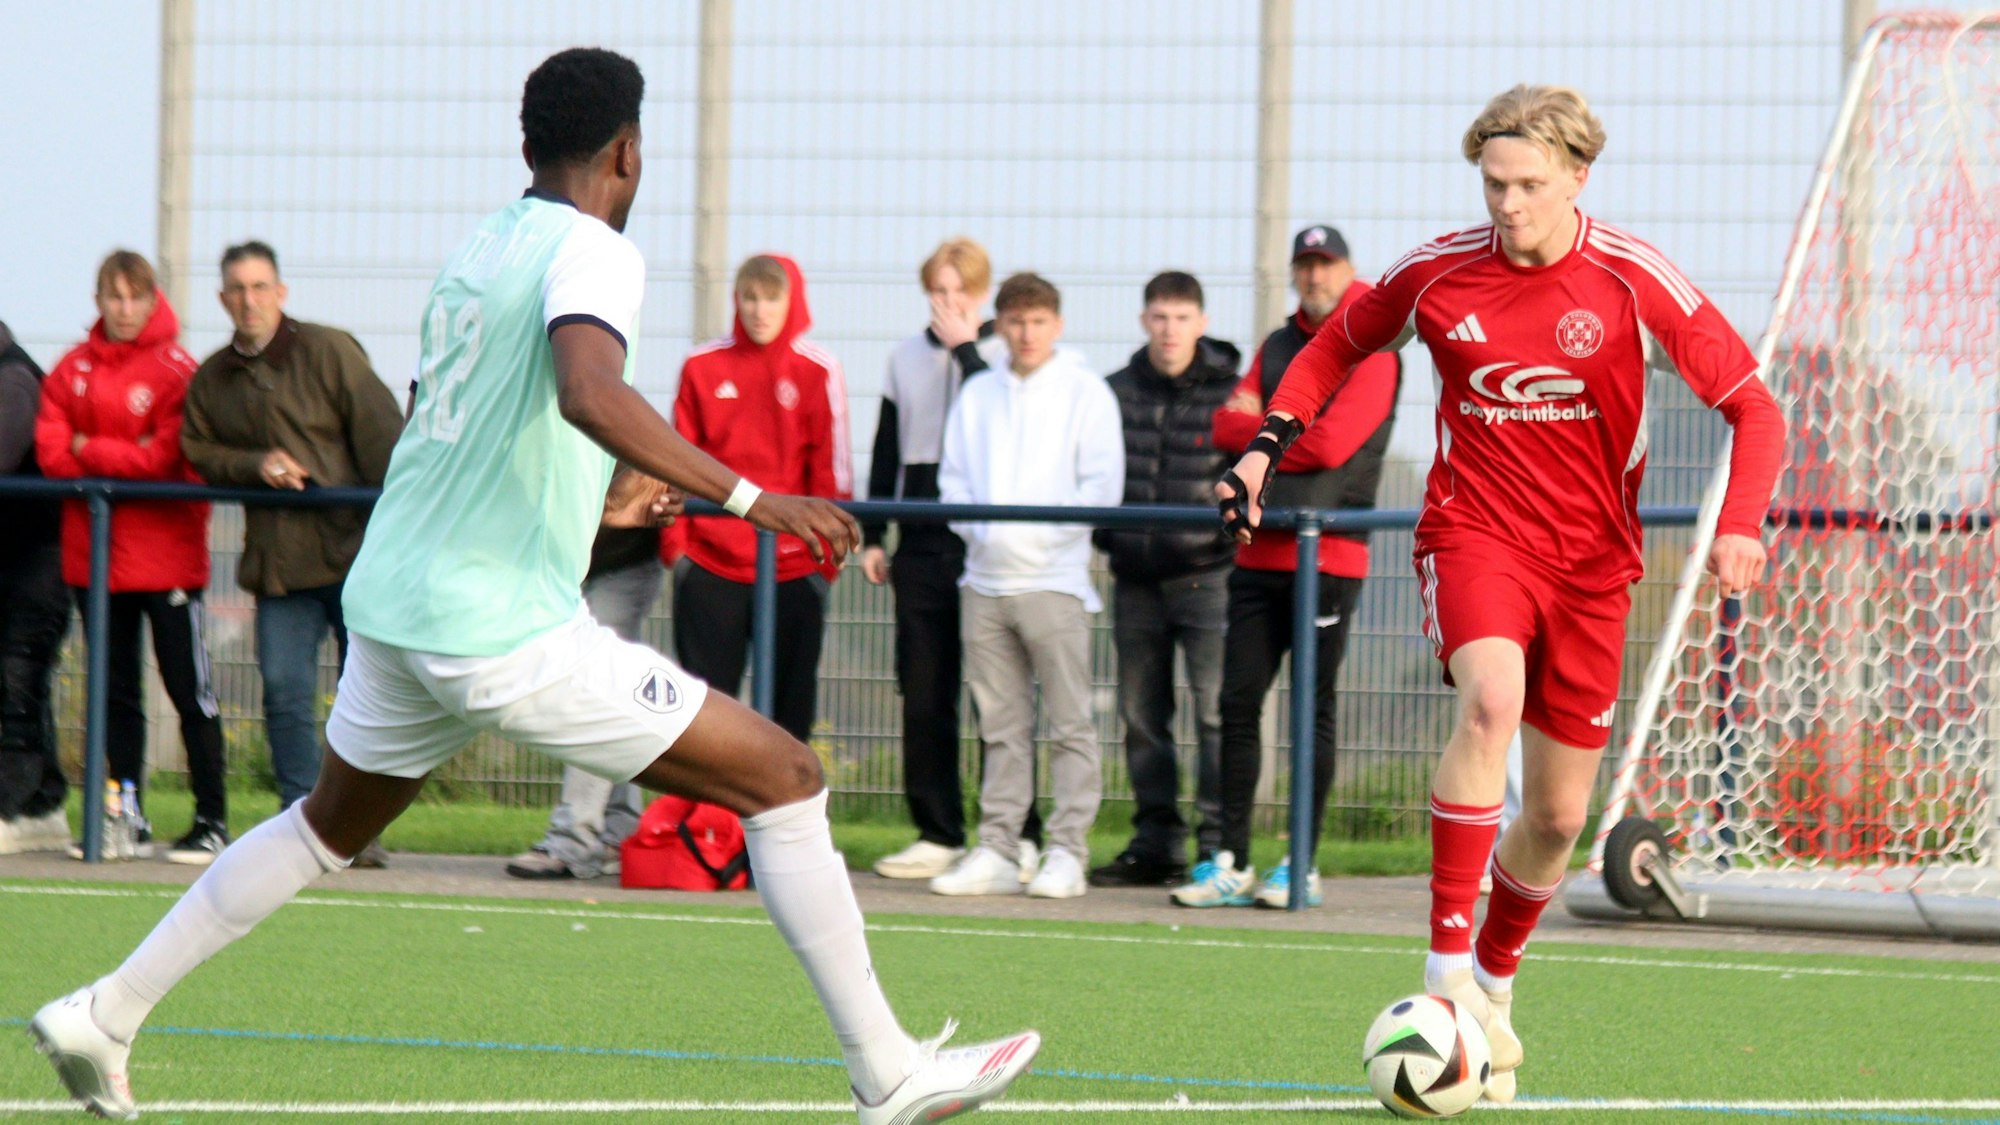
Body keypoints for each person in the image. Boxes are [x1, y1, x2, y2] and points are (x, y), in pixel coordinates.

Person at [29, 48, 1038, 1125]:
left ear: (528, 145)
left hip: (398, 604)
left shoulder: (479, 248)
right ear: (627, 152)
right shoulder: (595, 249)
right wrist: (755, 499)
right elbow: (587, 393)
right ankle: (887, 1073)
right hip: (496, 628)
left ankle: (107, 1011)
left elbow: (462, 431)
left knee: (322, 827)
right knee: (786, 777)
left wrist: (603, 502)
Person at [1217, 85, 1782, 1102]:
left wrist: (1738, 521)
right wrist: (1264, 447)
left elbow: (1753, 407)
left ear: (1577, 176)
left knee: (1560, 817)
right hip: (1474, 536)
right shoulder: (1435, 273)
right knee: (1488, 703)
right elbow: (1337, 342)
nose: (1508, 203)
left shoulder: (1630, 278)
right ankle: (1443, 975)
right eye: (1493, 183)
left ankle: (1491, 980)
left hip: (1593, 569)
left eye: (1528, 184)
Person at [1174, 225, 1402, 910]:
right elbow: (1220, 425)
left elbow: (1331, 445)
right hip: (1257, 549)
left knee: (1311, 709)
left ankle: (1300, 862)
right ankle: (1231, 859)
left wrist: (1262, 434)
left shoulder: (1375, 345)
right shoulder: (1277, 344)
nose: (1314, 275)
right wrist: (1265, 432)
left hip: (1328, 556)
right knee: (1236, 704)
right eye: (1304, 264)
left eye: (1325, 264)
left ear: (1348, 269)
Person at [180, 241, 403, 849]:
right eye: (237, 289)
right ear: (222, 298)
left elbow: (384, 439)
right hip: (279, 567)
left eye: (259, 287)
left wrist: (394, 536)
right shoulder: (214, 378)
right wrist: (255, 465)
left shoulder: (330, 351)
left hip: (356, 558)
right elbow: (198, 449)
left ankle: (361, 831)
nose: (248, 301)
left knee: (369, 703)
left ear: (281, 292)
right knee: (283, 694)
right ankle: (302, 826)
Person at [931, 272, 1124, 900]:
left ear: (1057, 325)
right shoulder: (978, 393)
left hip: (1055, 583)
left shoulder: (1087, 392)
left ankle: (1067, 851)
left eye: (1038, 322)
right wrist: (986, 534)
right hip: (983, 583)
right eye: (1015, 321)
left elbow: (1101, 487)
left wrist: (1036, 540)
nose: (1026, 333)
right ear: (1001, 325)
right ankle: (997, 847)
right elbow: (954, 481)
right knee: (1000, 728)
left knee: (1069, 725)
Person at [34, 251, 231, 866]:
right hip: (95, 563)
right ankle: (129, 819)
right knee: (115, 695)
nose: (124, 309)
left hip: (168, 560)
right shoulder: (71, 367)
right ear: (98, 301)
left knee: (189, 691)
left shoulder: (177, 370)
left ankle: (211, 819)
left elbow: (162, 459)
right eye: (113, 297)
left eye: (135, 297)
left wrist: (88, 445)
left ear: (152, 300)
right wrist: (118, 451)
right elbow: (51, 455)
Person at [862, 239, 1046, 883]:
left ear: (981, 295)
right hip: (921, 537)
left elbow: (995, 415)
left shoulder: (999, 358)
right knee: (924, 691)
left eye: (960, 292)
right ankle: (937, 831)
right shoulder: (903, 357)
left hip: (983, 540)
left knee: (997, 697)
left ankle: (1020, 833)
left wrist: (967, 348)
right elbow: (887, 447)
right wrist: (874, 533)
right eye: (938, 292)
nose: (948, 303)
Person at [1089, 271, 1239, 888]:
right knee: (1140, 717)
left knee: (1216, 716)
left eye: (1181, 318)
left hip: (1211, 577)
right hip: (1135, 578)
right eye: (1159, 317)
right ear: (1143, 321)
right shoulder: (1112, 392)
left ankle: (1217, 847)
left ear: (1202, 323)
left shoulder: (1233, 393)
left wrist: (1227, 542)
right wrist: (1110, 539)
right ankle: (1156, 844)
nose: (1169, 330)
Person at [671, 254, 851, 745]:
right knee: (704, 721)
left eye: (772, 298)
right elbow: (677, 461)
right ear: (737, 301)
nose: (760, 310)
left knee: (790, 722)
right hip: (709, 564)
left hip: (793, 567)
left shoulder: (818, 369)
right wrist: (679, 553)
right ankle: (707, 801)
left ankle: (787, 801)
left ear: (793, 302)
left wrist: (821, 565)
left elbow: (831, 474)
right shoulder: (701, 366)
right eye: (750, 298)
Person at [504, 524, 666, 879]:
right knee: (610, 697)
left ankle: (572, 842)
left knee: (597, 693)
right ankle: (618, 833)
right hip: (556, 568)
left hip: (621, 563)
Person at [0, 319, 72, 855]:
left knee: (17, 676)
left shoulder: (15, 380)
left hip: (37, 558)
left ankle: (17, 805)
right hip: (19, 556)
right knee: (17, 679)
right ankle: (44, 802)